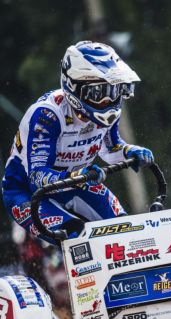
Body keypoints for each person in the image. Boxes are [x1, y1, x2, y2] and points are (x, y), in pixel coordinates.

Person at [2, 41, 154, 245]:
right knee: (76, 238)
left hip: (76, 182)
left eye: (115, 90)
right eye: (100, 93)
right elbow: (37, 176)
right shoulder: (47, 115)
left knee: (125, 228)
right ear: (75, 88)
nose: (109, 101)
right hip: (27, 192)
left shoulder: (108, 113)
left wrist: (130, 152)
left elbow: (111, 149)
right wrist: (77, 176)